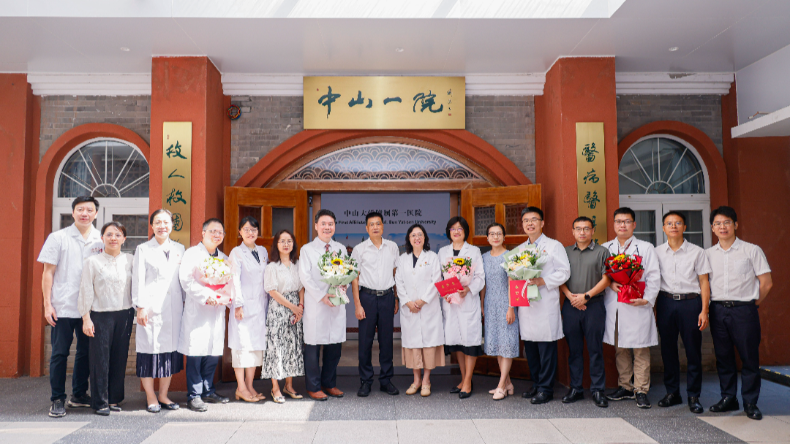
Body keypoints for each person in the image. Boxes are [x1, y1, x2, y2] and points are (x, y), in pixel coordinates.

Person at [38, 196, 104, 418]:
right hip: (63, 306)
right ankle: (57, 398)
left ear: (96, 213)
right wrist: (47, 304)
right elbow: (48, 273)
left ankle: (79, 394)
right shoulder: (58, 238)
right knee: (59, 353)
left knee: (86, 353)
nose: (85, 213)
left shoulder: (100, 240)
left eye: (89, 210)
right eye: (80, 209)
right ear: (73, 212)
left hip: (90, 309)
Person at [706, 206, 772, 420]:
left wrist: (752, 304)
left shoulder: (751, 250)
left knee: (749, 357)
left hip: (744, 310)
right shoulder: (708, 254)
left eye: (727, 222)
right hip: (718, 310)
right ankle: (728, 398)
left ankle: (750, 403)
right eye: (718, 223)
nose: (722, 227)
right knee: (723, 357)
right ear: (712, 228)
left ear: (735, 224)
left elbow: (766, 283)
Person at [603, 207, 660, 409]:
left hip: (638, 305)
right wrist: (610, 284)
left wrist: (647, 299)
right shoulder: (606, 248)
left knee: (641, 349)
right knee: (621, 348)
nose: (623, 225)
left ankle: (641, 390)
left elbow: (654, 276)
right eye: (619, 221)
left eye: (627, 221)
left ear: (634, 224)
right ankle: (625, 386)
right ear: (614, 224)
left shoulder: (645, 248)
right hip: (616, 306)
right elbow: (602, 275)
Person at [655, 211, 712, 414]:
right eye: (669, 223)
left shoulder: (697, 252)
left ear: (684, 227)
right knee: (668, 350)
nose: (674, 226)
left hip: (690, 303)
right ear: (663, 228)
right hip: (665, 302)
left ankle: (693, 396)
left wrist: (704, 310)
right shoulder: (657, 252)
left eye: (678, 223)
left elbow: (704, 282)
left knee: (692, 350)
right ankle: (672, 393)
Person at [78, 221, 135, 415]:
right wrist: (86, 318)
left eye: (118, 235)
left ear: (124, 239)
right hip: (100, 315)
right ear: (102, 238)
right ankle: (100, 401)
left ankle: (114, 399)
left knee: (119, 357)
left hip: (125, 314)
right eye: (109, 234)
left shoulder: (130, 260)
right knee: (99, 359)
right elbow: (85, 290)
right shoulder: (92, 262)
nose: (113, 238)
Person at [515, 207, 571, 404]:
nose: (529, 223)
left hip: (545, 302)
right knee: (530, 348)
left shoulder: (554, 246)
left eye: (534, 219)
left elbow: (564, 272)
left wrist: (542, 281)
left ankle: (546, 389)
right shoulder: (519, 250)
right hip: (527, 305)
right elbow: (515, 276)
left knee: (546, 349)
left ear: (542, 223)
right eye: (526, 220)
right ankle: (537, 383)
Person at [132, 209, 185, 413]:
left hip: (174, 309)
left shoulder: (179, 248)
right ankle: (150, 395)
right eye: (158, 222)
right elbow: (138, 280)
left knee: (168, 354)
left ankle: (163, 394)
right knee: (148, 353)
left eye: (166, 222)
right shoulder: (143, 249)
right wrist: (140, 307)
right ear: (152, 226)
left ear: (172, 225)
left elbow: (183, 279)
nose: (162, 226)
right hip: (151, 309)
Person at [178, 218, 232, 412]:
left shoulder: (224, 258)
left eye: (220, 232)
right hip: (199, 310)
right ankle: (193, 395)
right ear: (203, 233)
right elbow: (186, 280)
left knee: (212, 352)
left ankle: (208, 390)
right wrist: (207, 296)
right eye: (212, 231)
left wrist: (224, 296)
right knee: (196, 352)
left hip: (216, 311)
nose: (217, 235)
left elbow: (229, 283)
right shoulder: (192, 254)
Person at [559, 216, 611, 408]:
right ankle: (576, 388)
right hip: (571, 306)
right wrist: (572, 297)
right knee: (574, 350)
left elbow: (607, 279)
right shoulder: (565, 252)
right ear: (573, 231)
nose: (582, 232)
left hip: (594, 305)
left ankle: (598, 390)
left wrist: (586, 296)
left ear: (592, 231)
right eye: (578, 229)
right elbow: (559, 277)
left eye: (586, 228)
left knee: (595, 349)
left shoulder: (602, 252)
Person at [298, 209, 347, 401]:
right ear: (316, 226)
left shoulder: (341, 248)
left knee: (334, 347)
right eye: (324, 224)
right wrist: (321, 296)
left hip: (335, 303)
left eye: (331, 224)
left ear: (335, 226)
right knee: (313, 347)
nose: (327, 227)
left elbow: (345, 272)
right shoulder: (307, 249)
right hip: (316, 304)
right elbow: (305, 277)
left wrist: (342, 285)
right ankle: (313, 386)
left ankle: (329, 383)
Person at [351, 212, 400, 397]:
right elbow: (354, 278)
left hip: (387, 297)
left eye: (378, 223)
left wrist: (396, 298)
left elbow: (396, 274)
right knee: (365, 341)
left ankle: (386, 380)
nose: (375, 227)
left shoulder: (392, 247)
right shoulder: (359, 249)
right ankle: (366, 381)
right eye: (371, 224)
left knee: (386, 341)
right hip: (367, 298)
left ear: (383, 226)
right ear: (366, 228)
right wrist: (357, 304)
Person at [395, 224, 445, 397]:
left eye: (420, 235)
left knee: (428, 345)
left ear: (425, 238)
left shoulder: (432, 257)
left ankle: (426, 381)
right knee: (413, 345)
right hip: (409, 309)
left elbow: (436, 281)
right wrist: (408, 302)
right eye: (413, 235)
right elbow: (399, 282)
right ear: (409, 239)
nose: (417, 238)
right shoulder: (402, 259)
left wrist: (422, 301)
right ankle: (416, 380)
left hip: (428, 308)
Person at [438, 216, 485, 399]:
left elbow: (480, 277)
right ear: (448, 232)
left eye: (460, 228)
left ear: (465, 231)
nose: (456, 232)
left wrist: (468, 289)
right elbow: (440, 276)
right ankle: (463, 379)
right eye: (453, 229)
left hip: (468, 301)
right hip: (451, 302)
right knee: (457, 342)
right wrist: (445, 292)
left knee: (469, 342)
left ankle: (468, 382)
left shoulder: (473, 251)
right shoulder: (443, 251)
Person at [262, 229, 305, 403]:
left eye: (289, 241)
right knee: (277, 347)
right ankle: (275, 388)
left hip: (296, 309)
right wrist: (293, 307)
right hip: (279, 309)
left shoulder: (297, 264)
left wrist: (300, 306)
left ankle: (289, 385)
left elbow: (302, 287)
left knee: (292, 346)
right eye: (282, 241)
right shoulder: (272, 267)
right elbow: (272, 291)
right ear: (276, 245)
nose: (286, 244)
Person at [228, 216, 269, 403]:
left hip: (260, 306)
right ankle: (241, 388)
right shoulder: (236, 252)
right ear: (240, 232)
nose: (250, 233)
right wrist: (238, 304)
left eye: (253, 229)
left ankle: (250, 385)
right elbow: (234, 279)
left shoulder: (262, 251)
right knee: (241, 347)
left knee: (255, 347)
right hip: (243, 307)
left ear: (258, 232)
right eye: (246, 229)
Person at [480, 223, 520, 400]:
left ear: (504, 237)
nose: (495, 237)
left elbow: (513, 283)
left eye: (499, 234)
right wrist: (482, 304)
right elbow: (483, 284)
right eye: (492, 234)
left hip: (506, 304)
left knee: (507, 344)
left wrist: (511, 307)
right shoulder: (483, 257)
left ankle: (501, 385)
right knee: (497, 344)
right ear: (487, 238)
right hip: (490, 304)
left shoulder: (510, 256)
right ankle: (508, 383)